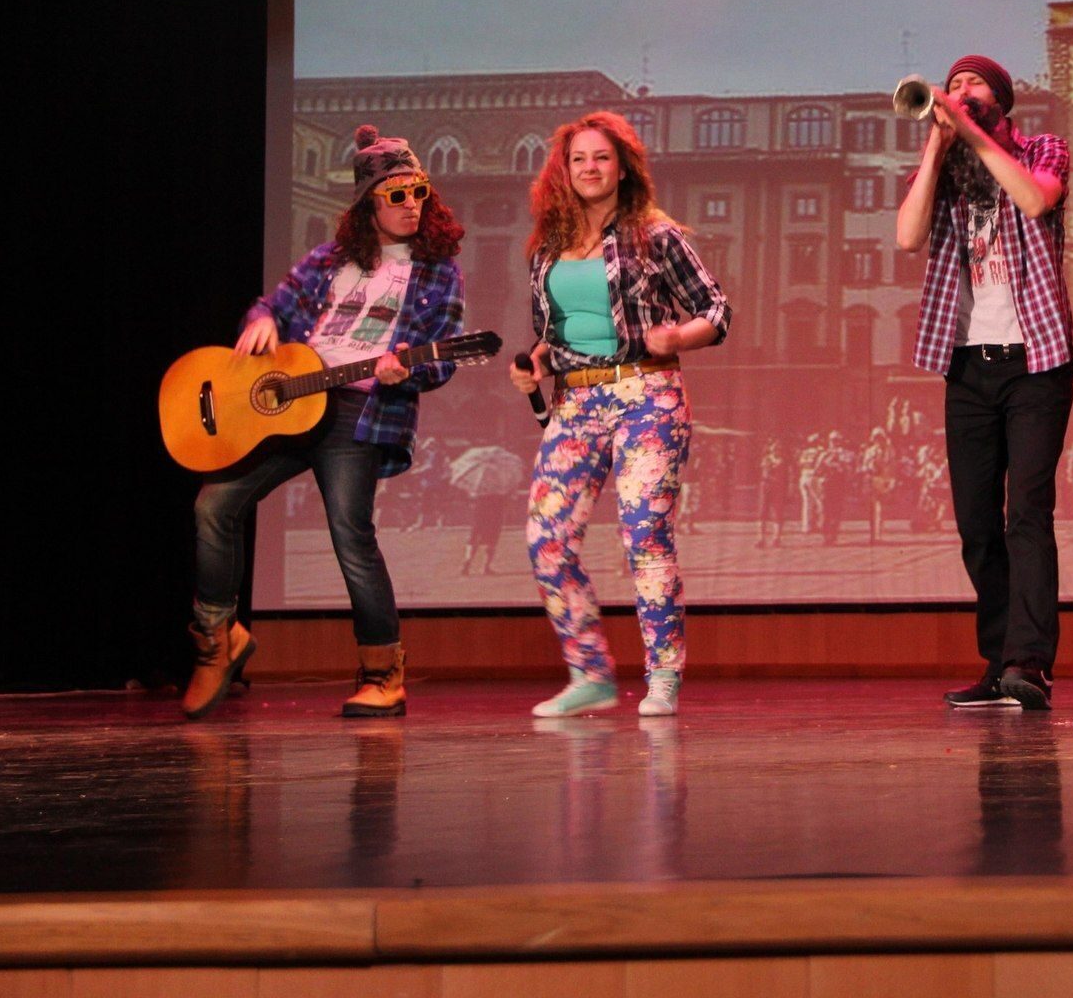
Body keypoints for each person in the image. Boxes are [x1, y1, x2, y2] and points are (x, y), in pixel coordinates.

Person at [186, 126, 466, 719]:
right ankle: (218, 638)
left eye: (419, 192)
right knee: (215, 505)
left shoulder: (437, 272)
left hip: (359, 411)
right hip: (292, 403)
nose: (412, 204)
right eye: (397, 195)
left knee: (349, 534)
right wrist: (261, 320)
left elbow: (441, 357)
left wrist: (405, 370)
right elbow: (272, 305)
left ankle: (383, 672)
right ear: (368, 203)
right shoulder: (328, 260)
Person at [510, 111, 731, 719]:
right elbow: (552, 334)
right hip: (576, 402)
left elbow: (716, 310)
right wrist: (536, 364)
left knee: (644, 536)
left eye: (601, 157)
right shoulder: (546, 246)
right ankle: (590, 674)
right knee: (547, 540)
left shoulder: (655, 235)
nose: (589, 168)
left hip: (647, 394)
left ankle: (663, 676)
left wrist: (678, 337)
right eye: (578, 158)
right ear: (564, 170)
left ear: (623, 167)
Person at [897, 55, 1073, 711]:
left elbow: (1035, 198)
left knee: (1026, 512)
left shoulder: (1043, 149)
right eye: (953, 85)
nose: (960, 91)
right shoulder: (945, 171)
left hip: (1037, 359)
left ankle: (1031, 662)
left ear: (999, 98)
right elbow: (908, 237)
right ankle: (1000, 664)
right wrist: (937, 145)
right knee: (976, 523)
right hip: (968, 365)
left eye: (972, 84)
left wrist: (969, 132)